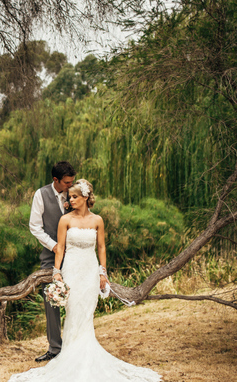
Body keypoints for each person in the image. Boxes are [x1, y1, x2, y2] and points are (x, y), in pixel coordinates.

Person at [10, 179, 161, 382]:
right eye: (69, 197)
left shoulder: (97, 220)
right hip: (71, 269)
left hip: (90, 270)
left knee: (86, 314)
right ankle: (70, 357)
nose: (70, 200)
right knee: (73, 312)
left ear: (85, 198)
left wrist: (102, 273)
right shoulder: (65, 220)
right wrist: (56, 272)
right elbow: (60, 248)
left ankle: (86, 356)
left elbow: (101, 248)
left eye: (74, 197)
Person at [28, 161, 76, 362]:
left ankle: (76, 344)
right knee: (52, 300)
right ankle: (55, 347)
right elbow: (35, 227)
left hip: (75, 254)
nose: (70, 186)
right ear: (56, 180)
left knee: (77, 299)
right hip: (50, 256)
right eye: (67, 182)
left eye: (72, 181)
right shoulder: (41, 195)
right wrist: (54, 246)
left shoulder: (76, 192)